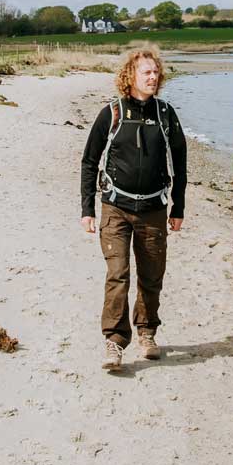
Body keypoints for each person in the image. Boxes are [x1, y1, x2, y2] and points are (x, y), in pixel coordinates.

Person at [80, 46, 187, 372]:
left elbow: (180, 165)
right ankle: (114, 342)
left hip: (155, 209)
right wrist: (88, 209)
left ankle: (147, 332)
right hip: (116, 208)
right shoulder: (110, 114)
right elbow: (89, 161)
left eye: (156, 72)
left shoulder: (166, 116)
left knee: (152, 277)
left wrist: (178, 207)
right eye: (146, 72)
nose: (153, 77)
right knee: (118, 275)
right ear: (130, 76)